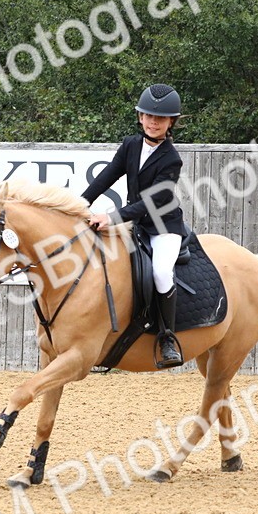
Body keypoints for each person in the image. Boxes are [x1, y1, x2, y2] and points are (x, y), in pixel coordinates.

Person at [82, 83, 189, 368]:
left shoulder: (171, 159)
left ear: (171, 122)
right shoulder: (130, 145)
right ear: (140, 117)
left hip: (163, 228)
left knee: (161, 271)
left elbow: (153, 202)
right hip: (136, 225)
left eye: (161, 118)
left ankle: (167, 337)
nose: (153, 122)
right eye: (149, 116)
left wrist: (112, 217)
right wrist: (81, 203)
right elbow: (107, 176)